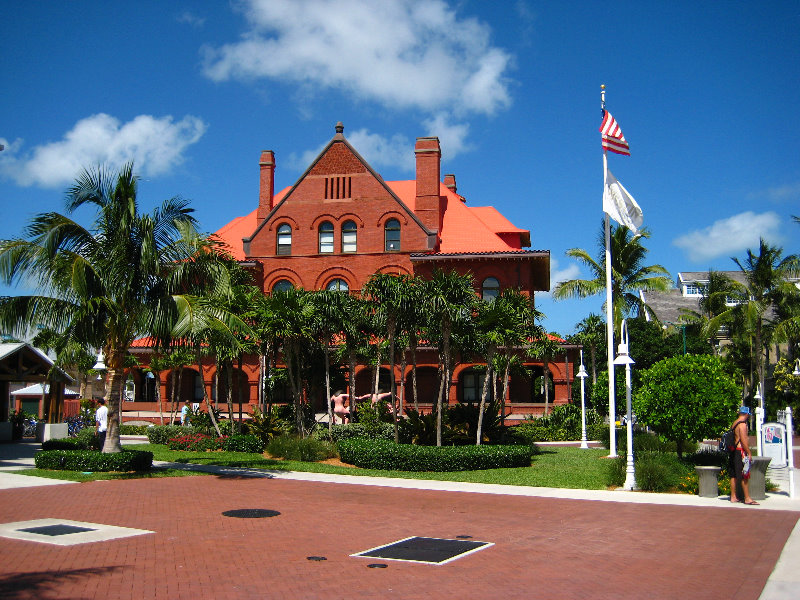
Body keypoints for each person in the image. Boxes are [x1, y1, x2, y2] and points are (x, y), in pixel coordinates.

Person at [728, 406, 757, 505]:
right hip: (740, 451)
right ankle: (747, 498)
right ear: (747, 414)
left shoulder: (734, 423)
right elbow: (744, 441)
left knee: (733, 474)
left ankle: (733, 496)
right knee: (745, 474)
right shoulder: (743, 425)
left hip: (733, 451)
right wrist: (748, 452)